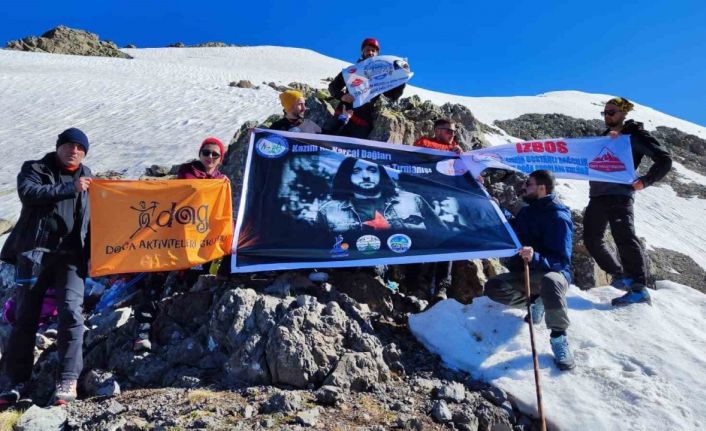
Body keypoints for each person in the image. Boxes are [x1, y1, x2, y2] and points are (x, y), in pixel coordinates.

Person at [0, 128, 93, 406]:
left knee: (71, 313)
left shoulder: (88, 174)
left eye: (79, 147)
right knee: (24, 317)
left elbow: (93, 217)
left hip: (71, 258)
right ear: (58, 147)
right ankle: (15, 381)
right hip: (34, 255)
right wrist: (69, 188)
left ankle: (67, 378)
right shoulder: (35, 168)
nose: (74, 150)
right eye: (69, 145)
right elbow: (29, 194)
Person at [133, 137, 229, 352]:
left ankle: (187, 331)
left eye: (215, 154)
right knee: (156, 278)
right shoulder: (187, 172)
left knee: (193, 284)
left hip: (199, 243)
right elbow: (186, 192)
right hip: (173, 239)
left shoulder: (222, 181)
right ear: (200, 153)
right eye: (206, 152)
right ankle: (142, 330)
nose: (210, 157)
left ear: (221, 158)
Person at [584, 97, 672, 306]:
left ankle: (639, 288)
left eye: (611, 112)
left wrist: (646, 180)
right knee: (591, 239)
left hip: (620, 195)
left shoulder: (635, 135)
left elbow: (664, 159)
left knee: (624, 237)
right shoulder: (607, 136)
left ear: (623, 113)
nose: (607, 116)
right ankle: (620, 276)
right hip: (598, 195)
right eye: (604, 113)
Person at [484, 170, 575, 371]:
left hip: (554, 274)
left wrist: (535, 257)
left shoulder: (558, 217)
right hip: (528, 271)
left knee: (550, 283)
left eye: (529, 184)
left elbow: (561, 261)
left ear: (542, 188)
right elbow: (516, 226)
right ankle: (536, 301)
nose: (523, 187)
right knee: (494, 288)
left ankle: (559, 338)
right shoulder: (528, 209)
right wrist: (497, 208)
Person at [317, 157, 443, 235]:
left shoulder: (413, 201)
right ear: (346, 177)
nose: (365, 176)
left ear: (381, 174)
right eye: (356, 171)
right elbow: (319, 248)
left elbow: (442, 237)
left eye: (372, 170)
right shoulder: (327, 211)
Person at [325, 38, 406, 139]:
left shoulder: (382, 77)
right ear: (362, 52)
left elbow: (393, 95)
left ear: (377, 54)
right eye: (368, 50)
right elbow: (333, 87)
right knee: (328, 142)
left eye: (374, 51)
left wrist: (401, 79)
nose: (370, 53)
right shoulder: (351, 71)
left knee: (354, 152)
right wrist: (342, 96)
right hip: (343, 113)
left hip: (362, 123)